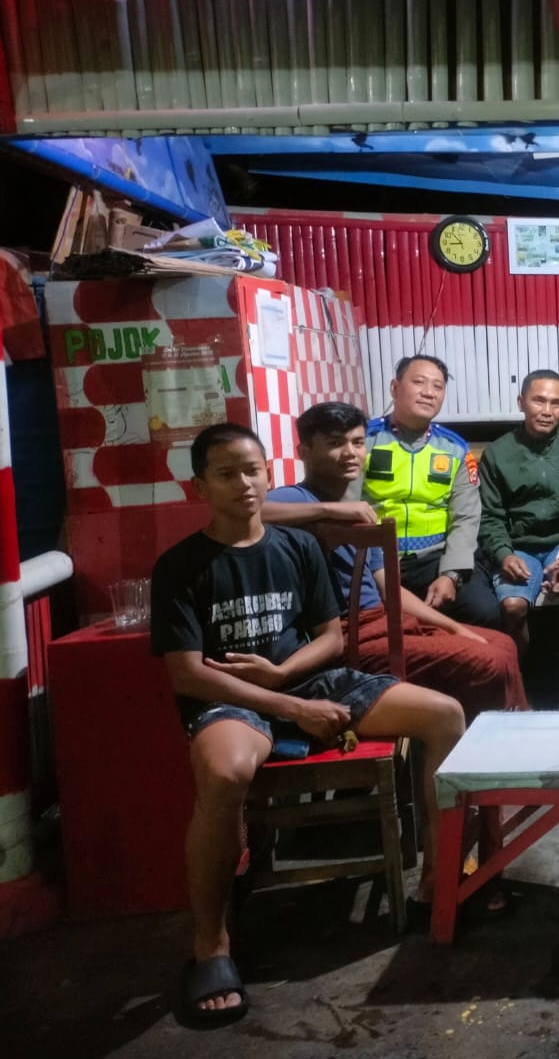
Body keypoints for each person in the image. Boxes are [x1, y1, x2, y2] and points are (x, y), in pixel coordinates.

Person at [151, 423, 464, 1027]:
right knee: (226, 772)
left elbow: (331, 638)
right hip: (234, 698)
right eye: (226, 474)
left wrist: (284, 675)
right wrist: (288, 705)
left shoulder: (296, 548)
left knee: (445, 716)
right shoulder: (181, 565)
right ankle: (211, 945)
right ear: (200, 486)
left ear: (269, 474)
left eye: (252, 471)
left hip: (305, 680)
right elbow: (188, 674)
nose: (244, 484)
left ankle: (438, 882)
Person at [265, 401, 529, 720]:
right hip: (349, 636)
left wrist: (453, 627)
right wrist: (329, 510)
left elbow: (389, 590)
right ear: (304, 451)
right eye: (335, 443)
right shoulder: (299, 498)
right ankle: (482, 739)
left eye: (358, 442)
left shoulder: (362, 509)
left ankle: (509, 727)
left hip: (384, 620)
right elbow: (255, 511)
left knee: (501, 644)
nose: (350, 453)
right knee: (488, 660)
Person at [477, 369, 559, 704]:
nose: (547, 410)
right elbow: (490, 517)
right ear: (521, 402)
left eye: (556, 403)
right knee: (513, 606)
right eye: (539, 401)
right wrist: (504, 554)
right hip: (519, 546)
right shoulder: (498, 453)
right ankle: (520, 688)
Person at [363, 355, 499, 627]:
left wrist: (450, 574)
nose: (429, 392)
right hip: (372, 562)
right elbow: (345, 505)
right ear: (394, 388)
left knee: (486, 612)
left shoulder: (454, 448)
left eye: (438, 386)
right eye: (419, 382)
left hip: (434, 560)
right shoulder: (363, 441)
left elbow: (466, 517)